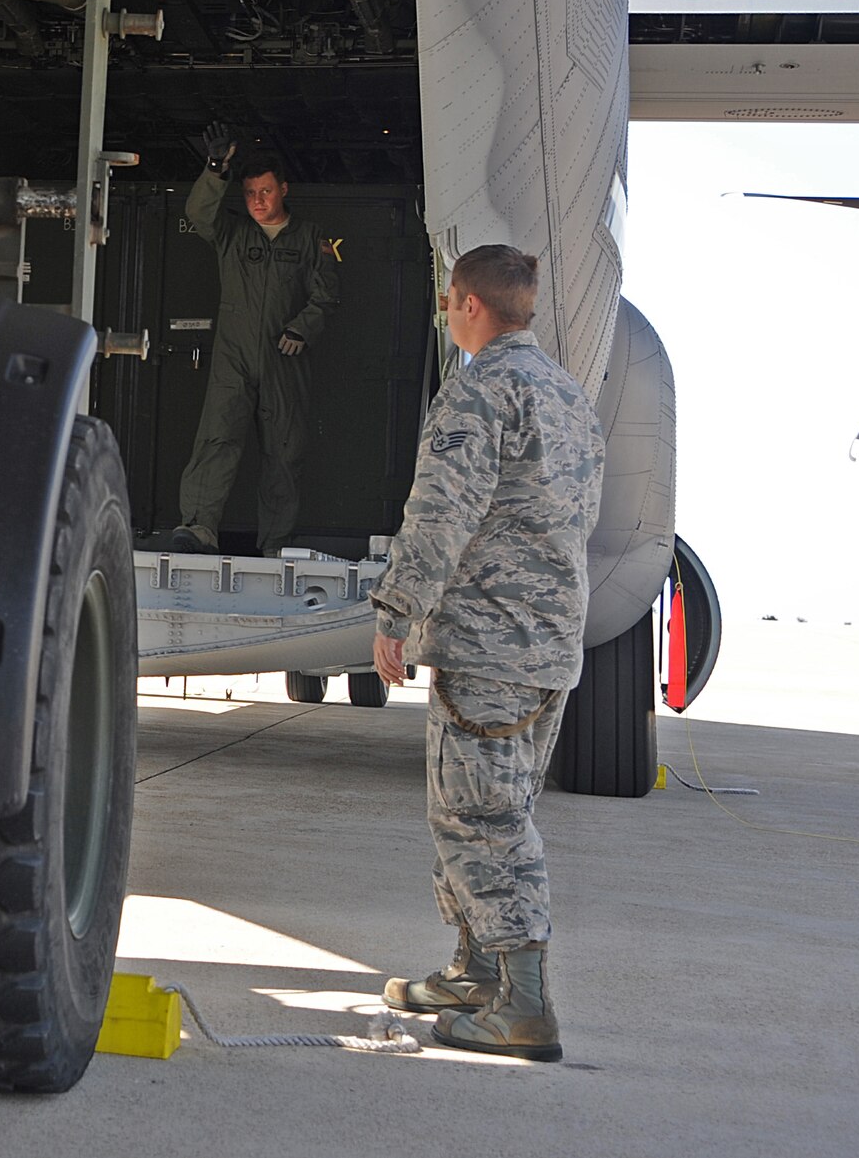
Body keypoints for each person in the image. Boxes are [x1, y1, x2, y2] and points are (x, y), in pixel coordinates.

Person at [369, 244, 604, 1062]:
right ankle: (475, 972)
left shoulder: (479, 391)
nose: (445, 309)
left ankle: (526, 1006)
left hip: (488, 649)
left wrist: (396, 610)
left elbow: (441, 512)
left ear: (469, 304)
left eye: (448, 299)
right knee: (483, 810)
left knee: (482, 819)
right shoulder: (569, 396)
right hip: (546, 648)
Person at [168, 123, 339, 557]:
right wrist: (214, 170)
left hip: (284, 357)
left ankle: (275, 544)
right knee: (217, 438)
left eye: (265, 191)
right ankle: (198, 527)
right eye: (249, 194)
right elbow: (199, 214)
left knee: (283, 452)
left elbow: (326, 293)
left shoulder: (307, 237)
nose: (257, 201)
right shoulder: (233, 233)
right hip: (235, 356)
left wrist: (304, 326)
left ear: (283, 189)